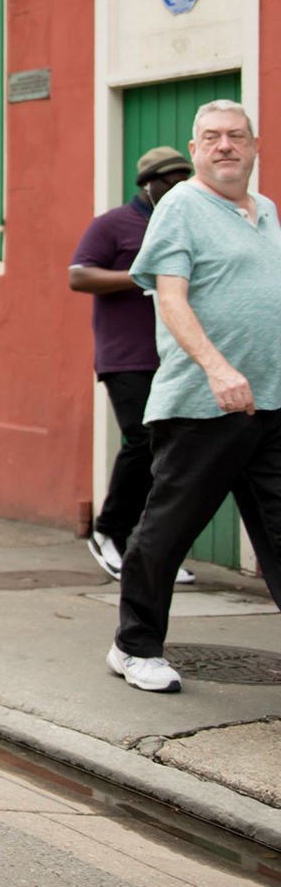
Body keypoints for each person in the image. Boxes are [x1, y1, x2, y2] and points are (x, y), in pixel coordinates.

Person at [108, 100, 281, 694]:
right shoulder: (181, 206)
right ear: (196, 147)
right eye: (211, 138)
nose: (225, 146)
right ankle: (134, 648)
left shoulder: (267, 213)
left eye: (236, 136)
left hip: (270, 403)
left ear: (255, 146)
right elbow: (170, 298)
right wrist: (216, 368)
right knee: (168, 529)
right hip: (202, 404)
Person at [70, 146, 194, 581]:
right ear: (148, 183)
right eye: (170, 180)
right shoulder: (113, 225)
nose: (180, 186)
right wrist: (141, 276)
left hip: (180, 354)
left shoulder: (187, 222)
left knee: (178, 450)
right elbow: (79, 275)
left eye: (185, 178)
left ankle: (154, 553)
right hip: (127, 356)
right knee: (144, 440)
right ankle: (110, 533)